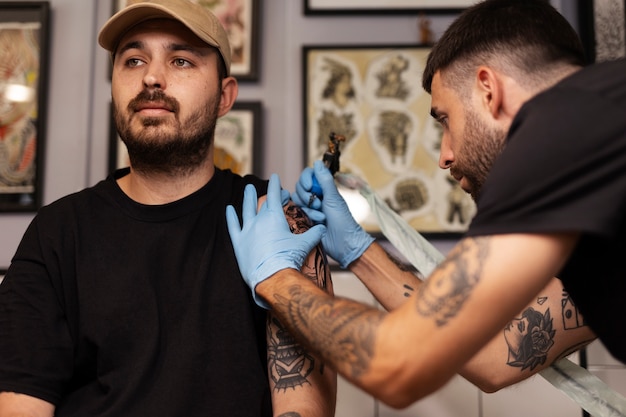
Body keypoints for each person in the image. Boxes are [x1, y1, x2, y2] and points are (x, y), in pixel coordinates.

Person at [226, 0, 626, 409]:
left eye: (445, 119)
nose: (445, 156)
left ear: (489, 90)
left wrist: (275, 278)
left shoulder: (566, 131)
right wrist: (358, 250)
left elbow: (398, 364)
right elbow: (493, 354)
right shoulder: (597, 158)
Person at [0, 1, 336, 416]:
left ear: (224, 97)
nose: (152, 77)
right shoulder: (57, 232)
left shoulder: (276, 218)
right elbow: (21, 406)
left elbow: (303, 405)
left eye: (181, 60)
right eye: (134, 60)